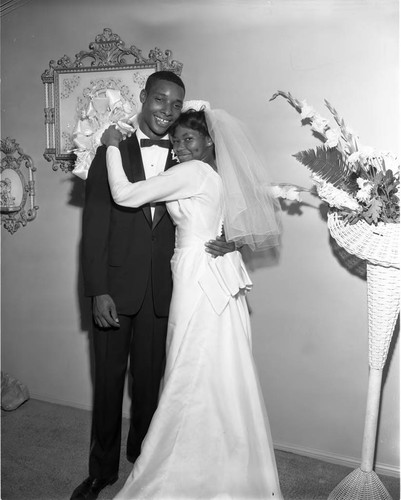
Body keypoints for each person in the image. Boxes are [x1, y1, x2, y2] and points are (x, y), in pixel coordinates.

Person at [103, 103, 283, 499]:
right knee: (216, 364)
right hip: (216, 272)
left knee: (187, 361)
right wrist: (231, 239)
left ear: (208, 142)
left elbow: (126, 195)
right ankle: (223, 459)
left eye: (189, 139)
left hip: (196, 274)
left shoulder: (193, 171)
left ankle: (178, 463)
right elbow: (234, 220)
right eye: (176, 140)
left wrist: (111, 146)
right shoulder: (217, 175)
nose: (180, 146)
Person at [71, 73, 233, 500]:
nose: (166, 109)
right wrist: (97, 289)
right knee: (107, 385)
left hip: (168, 292)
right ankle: (101, 472)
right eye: (159, 99)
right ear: (142, 99)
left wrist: (229, 236)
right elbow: (94, 227)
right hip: (115, 289)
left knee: (151, 386)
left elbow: (228, 199)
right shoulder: (111, 151)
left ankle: (144, 457)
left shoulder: (189, 154)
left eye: (175, 103)